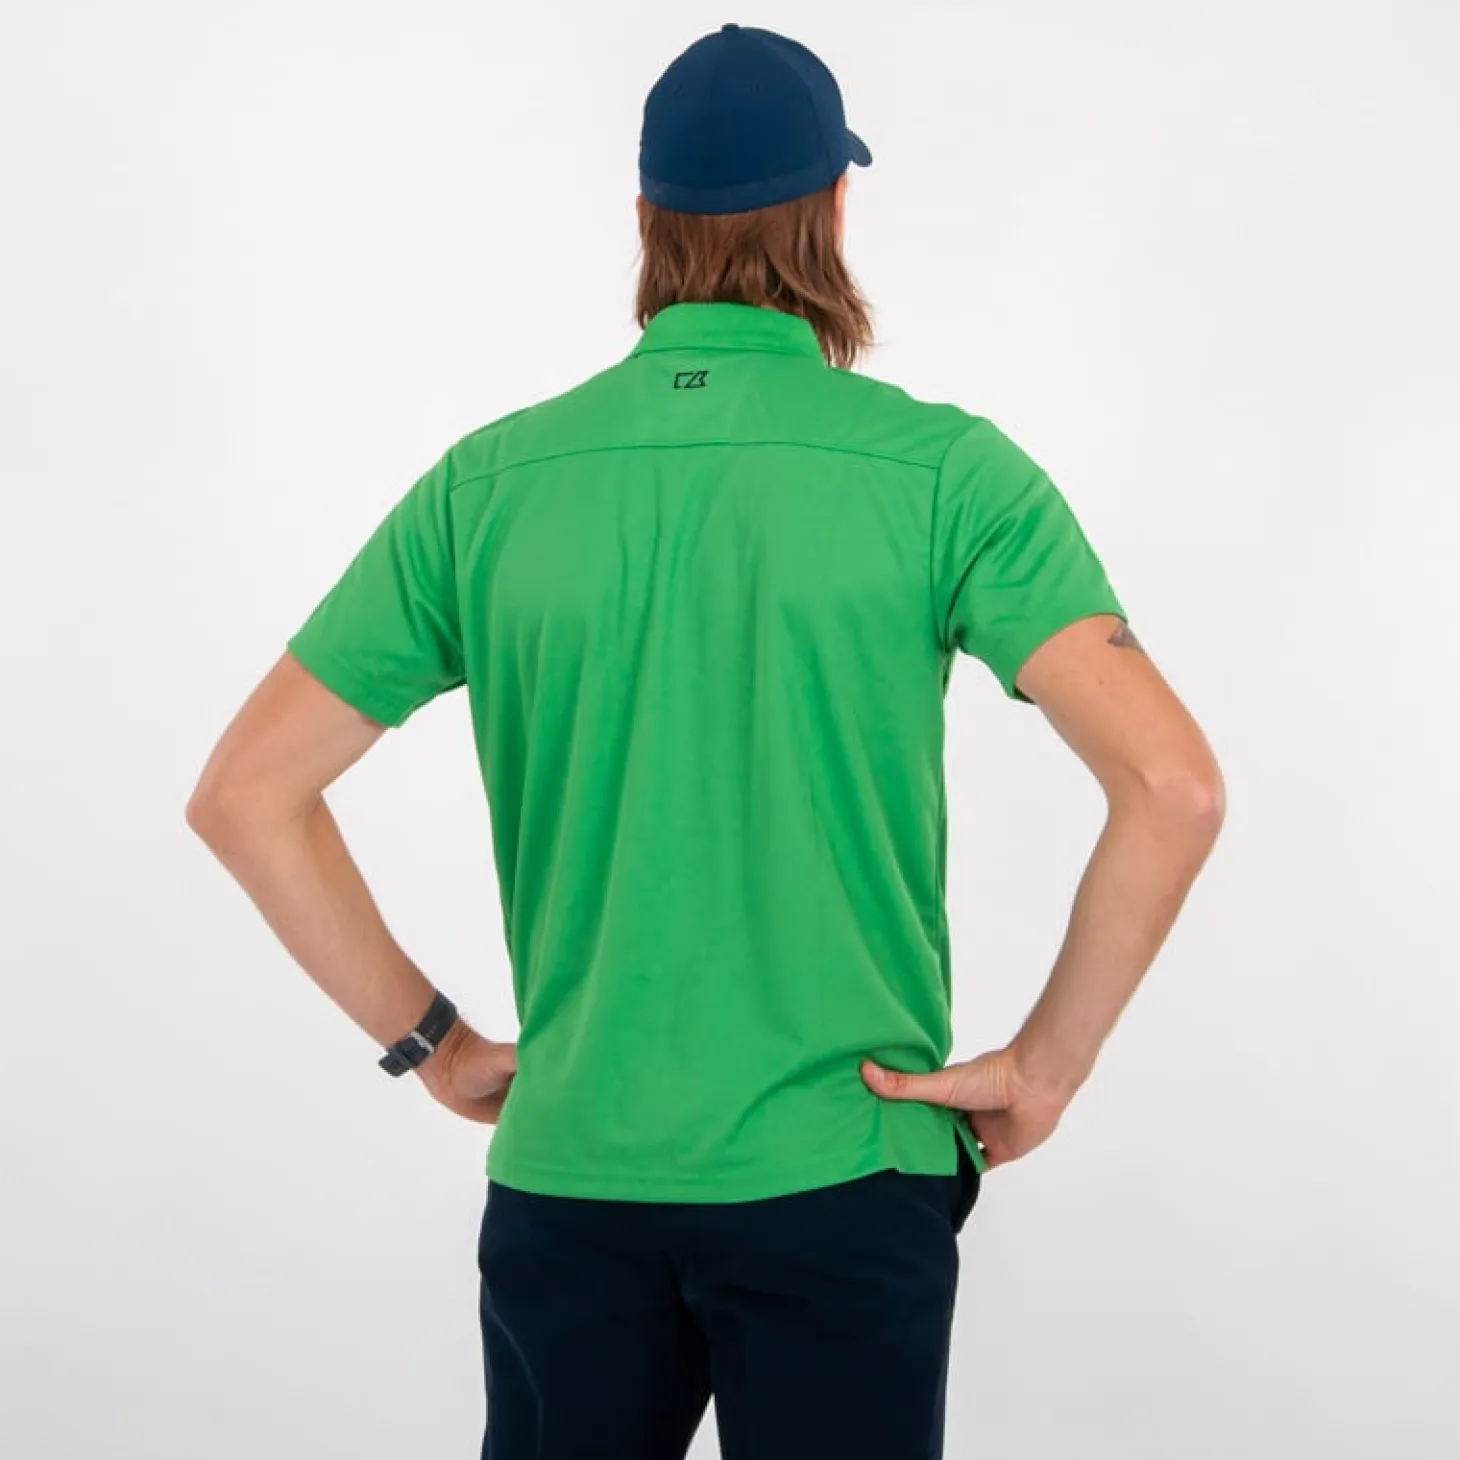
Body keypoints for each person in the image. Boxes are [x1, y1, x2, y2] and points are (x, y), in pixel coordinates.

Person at [186, 21, 1225, 1460]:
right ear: (835, 209)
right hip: (844, 1167)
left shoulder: (487, 486)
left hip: (570, 1173)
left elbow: (246, 795)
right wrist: (1046, 1068)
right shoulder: (947, 476)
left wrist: (433, 1043)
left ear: (644, 222)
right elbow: (1173, 787)